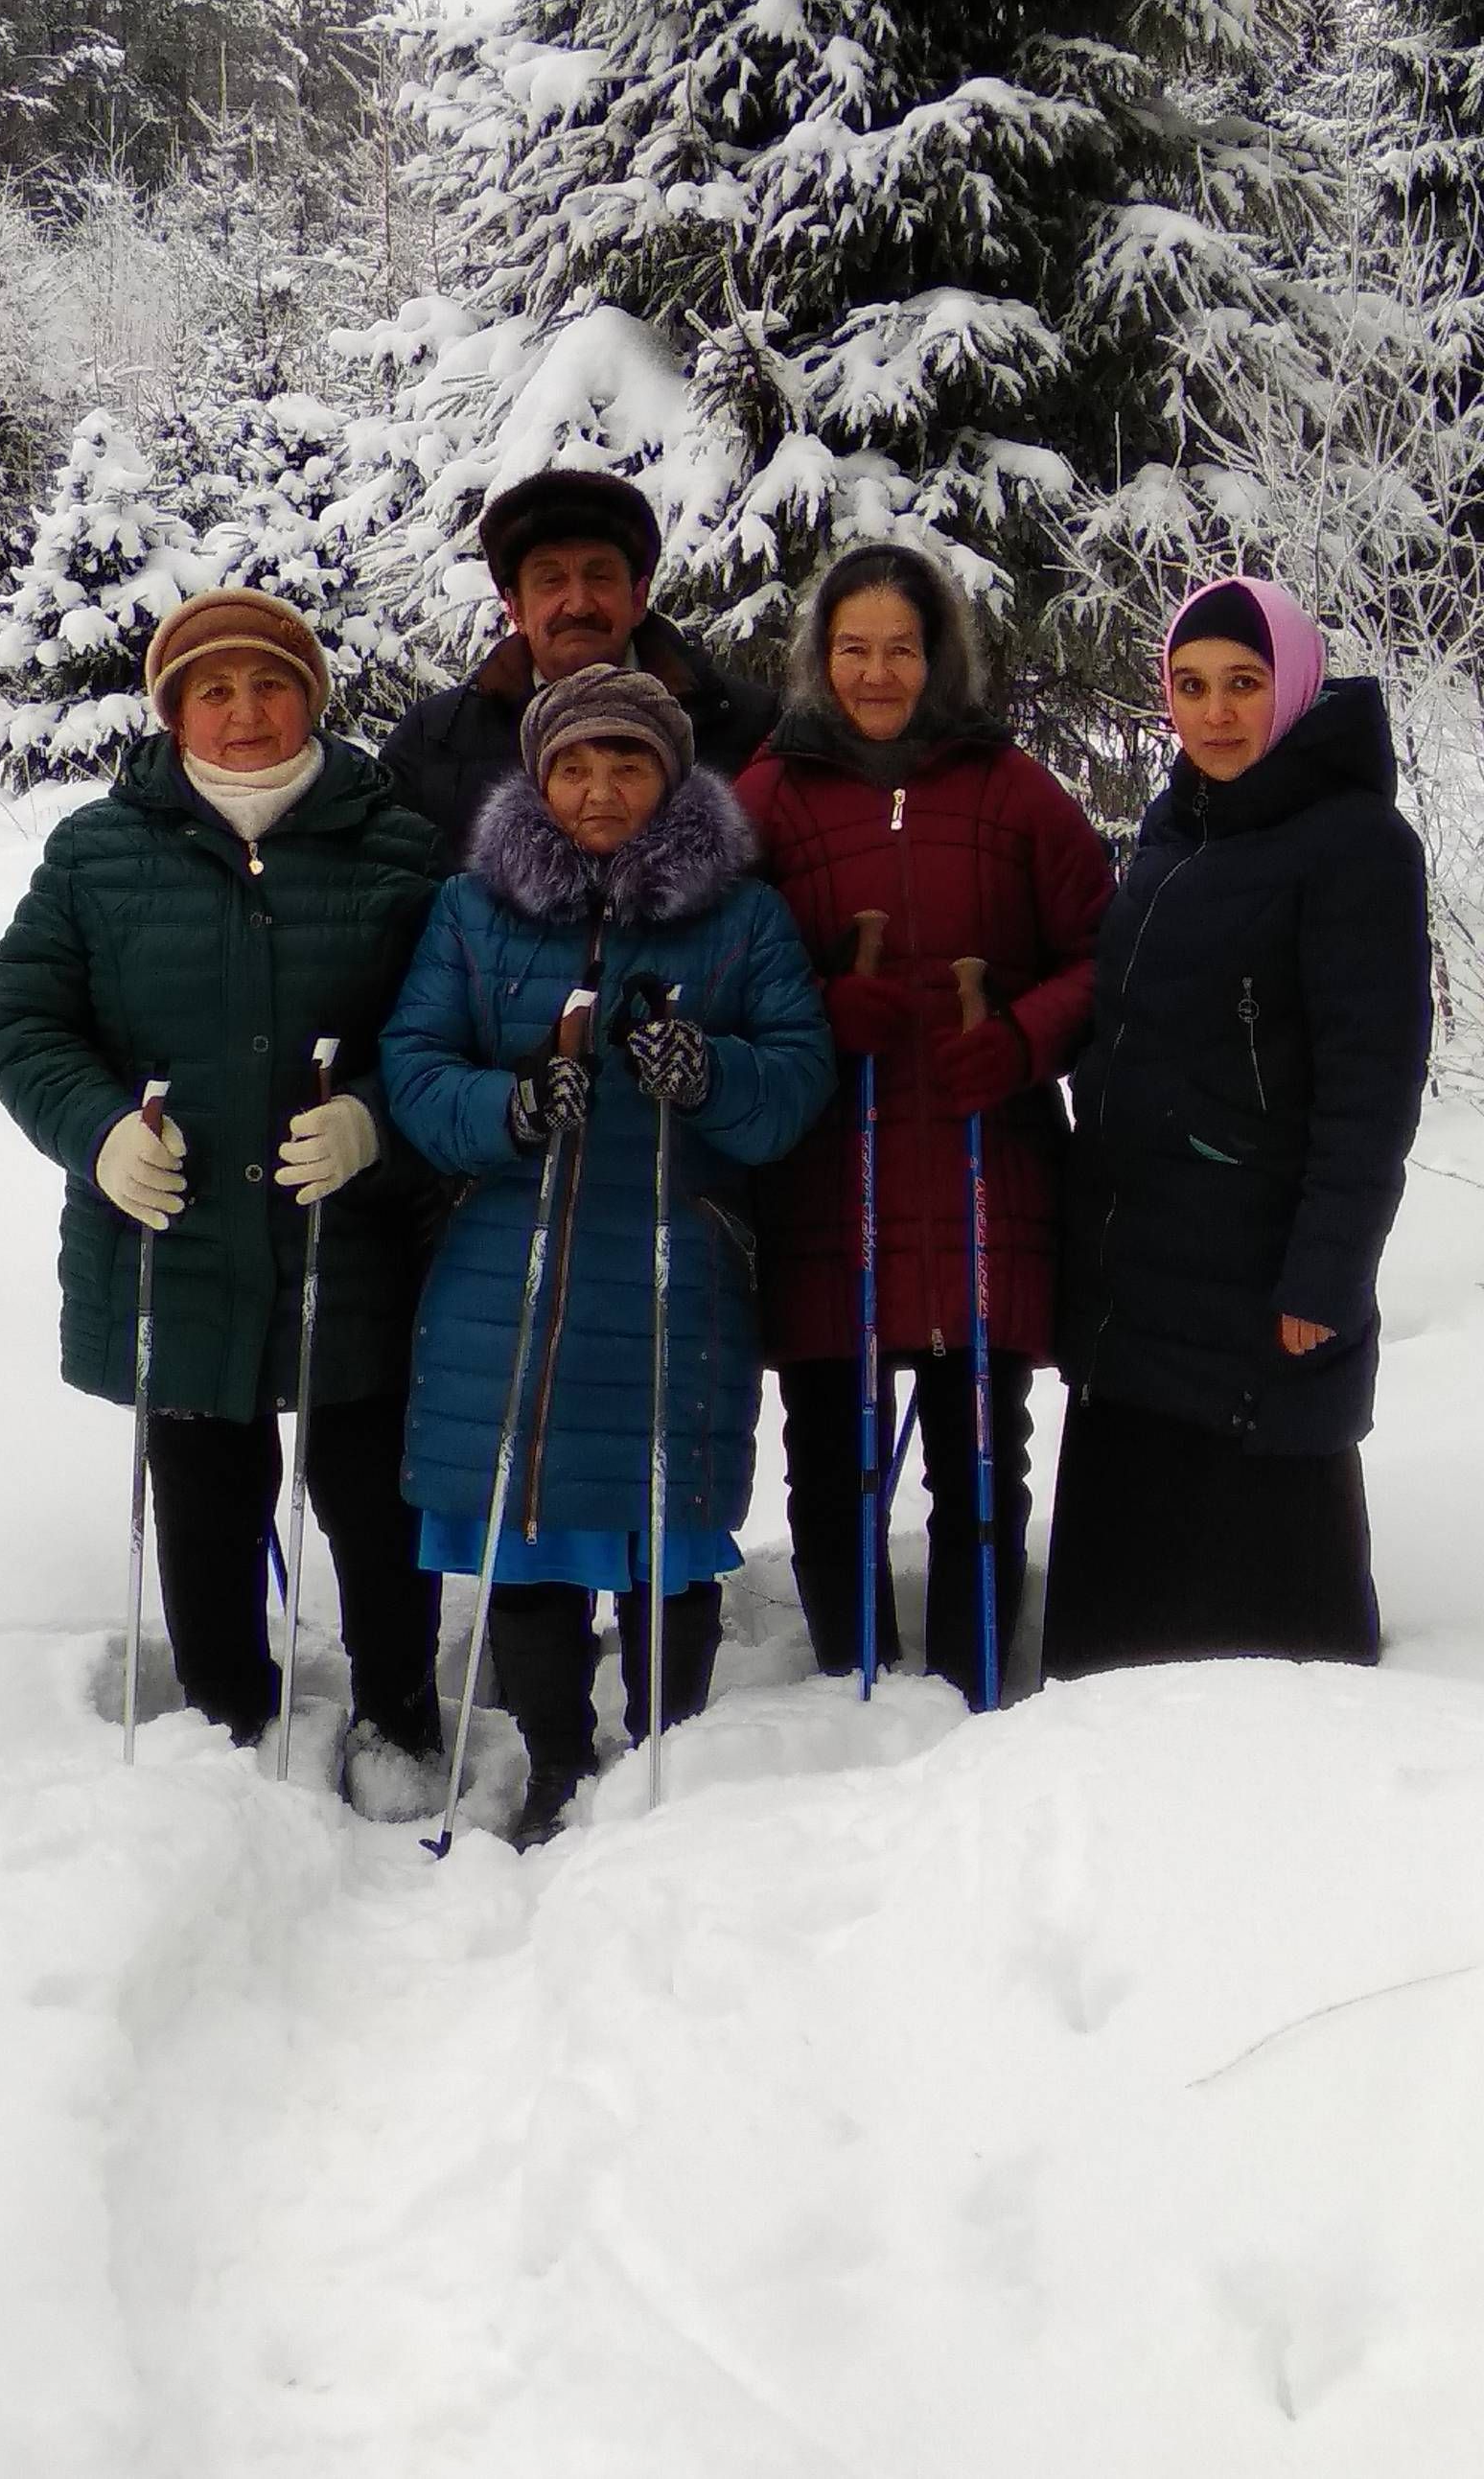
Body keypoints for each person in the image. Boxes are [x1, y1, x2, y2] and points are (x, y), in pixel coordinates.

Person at [0, 588, 448, 1815]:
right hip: (174, 1249)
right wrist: (94, 1135)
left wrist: (378, 1121)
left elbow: (453, 1026)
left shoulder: (398, 843)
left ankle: (399, 1716)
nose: (245, 712)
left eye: (272, 684)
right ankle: (227, 1729)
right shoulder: (95, 850)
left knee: (372, 1490)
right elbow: (23, 1022)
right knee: (206, 1502)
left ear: (314, 700)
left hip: (352, 1246)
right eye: (213, 689)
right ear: (174, 709)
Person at [380, 663, 835, 1845]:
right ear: (536, 780)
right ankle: (554, 1761)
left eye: (626, 763)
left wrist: (714, 1074)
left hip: (673, 1264)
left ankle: (660, 1757)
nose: (598, 788)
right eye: (573, 765)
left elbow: (795, 1080)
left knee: (662, 1528)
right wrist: (514, 1106)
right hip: (506, 1271)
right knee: (527, 1528)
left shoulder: (741, 917)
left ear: (670, 776)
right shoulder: (476, 910)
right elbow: (417, 1068)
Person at [733, 544, 1115, 1702]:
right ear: (819, 659)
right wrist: (810, 1006)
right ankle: (851, 1683)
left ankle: (973, 1687)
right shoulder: (768, 796)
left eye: (902, 648)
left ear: (938, 656)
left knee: (980, 1453)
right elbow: (715, 965)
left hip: (979, 1169)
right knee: (829, 1457)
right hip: (824, 1175)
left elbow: (1104, 959)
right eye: (853, 649)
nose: (878, 673)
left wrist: (1019, 1037)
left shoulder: (1013, 790)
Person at [1042, 576, 1432, 1679]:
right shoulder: (1174, 831)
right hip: (1140, 1280)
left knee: (1270, 1654)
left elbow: (1372, 1088)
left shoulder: (1354, 844)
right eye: (1190, 686)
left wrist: (1326, 1275)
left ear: (1295, 688)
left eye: (1244, 685)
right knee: (1121, 1657)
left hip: (1261, 1282)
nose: (1214, 714)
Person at [379, 466, 779, 868]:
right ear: (514, 607)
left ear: (638, 598)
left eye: (600, 577)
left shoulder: (743, 726)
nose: (578, 604)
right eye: (550, 581)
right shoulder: (434, 741)